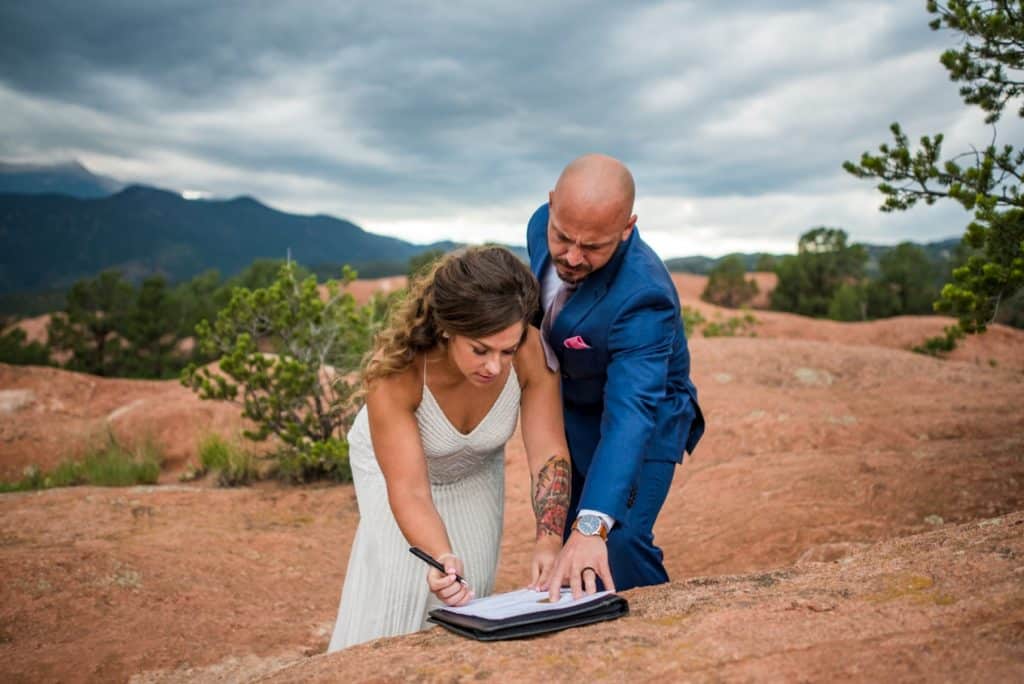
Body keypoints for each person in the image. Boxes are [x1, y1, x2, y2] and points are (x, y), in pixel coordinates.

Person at [327, 246, 572, 651]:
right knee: (401, 587)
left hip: (474, 468)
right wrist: (441, 556)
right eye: (480, 349)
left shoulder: (530, 350)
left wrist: (549, 540)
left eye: (506, 351)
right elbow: (410, 490)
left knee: (468, 592)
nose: (495, 367)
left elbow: (548, 455)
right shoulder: (397, 374)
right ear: (446, 328)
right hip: (394, 471)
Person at [529, 154, 705, 599]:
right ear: (550, 206)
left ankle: (662, 627)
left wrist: (593, 524)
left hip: (645, 417)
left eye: (593, 247)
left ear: (628, 227)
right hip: (574, 411)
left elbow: (631, 413)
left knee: (616, 540)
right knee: (572, 540)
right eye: (563, 237)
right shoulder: (538, 225)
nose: (571, 256)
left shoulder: (645, 295)